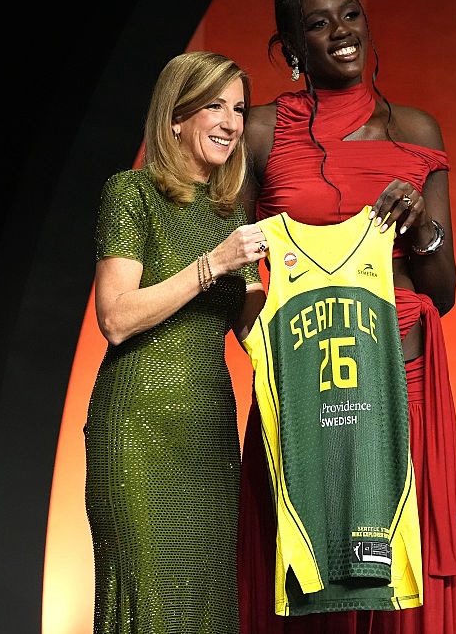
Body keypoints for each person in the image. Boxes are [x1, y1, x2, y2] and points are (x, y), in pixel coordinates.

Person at [236, 0, 456, 634]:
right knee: (311, 586)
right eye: (319, 23)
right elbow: (238, 268)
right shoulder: (260, 133)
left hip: (402, 382)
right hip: (307, 385)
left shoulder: (417, 130)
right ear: (291, 48)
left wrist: (421, 228)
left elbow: (444, 292)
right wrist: (268, 354)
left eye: (351, 15)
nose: (342, 32)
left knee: (396, 583)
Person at [84, 50, 268, 634]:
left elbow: (253, 332)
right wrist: (212, 264)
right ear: (175, 118)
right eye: (215, 106)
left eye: (239, 109)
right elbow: (116, 317)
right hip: (140, 432)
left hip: (209, 437)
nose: (231, 123)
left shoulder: (230, 215)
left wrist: (309, 274)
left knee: (209, 609)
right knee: (149, 607)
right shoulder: (132, 193)